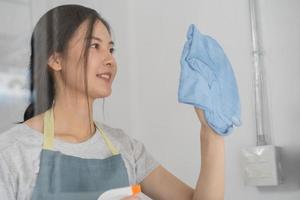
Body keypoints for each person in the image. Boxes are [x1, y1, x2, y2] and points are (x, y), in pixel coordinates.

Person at [0, 4, 224, 200]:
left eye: (111, 49)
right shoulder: (13, 151)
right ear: (56, 59)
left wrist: (211, 133)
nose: (110, 60)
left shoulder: (126, 148)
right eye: (94, 46)